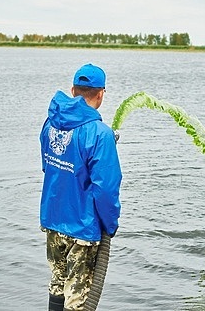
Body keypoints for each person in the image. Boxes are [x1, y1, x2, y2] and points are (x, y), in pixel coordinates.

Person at [39, 63, 122, 310]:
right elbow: (105, 189)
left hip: (53, 219)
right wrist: (110, 224)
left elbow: (48, 166)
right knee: (78, 299)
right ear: (101, 94)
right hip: (82, 228)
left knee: (58, 283)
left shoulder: (50, 123)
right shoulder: (100, 134)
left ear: (73, 90)